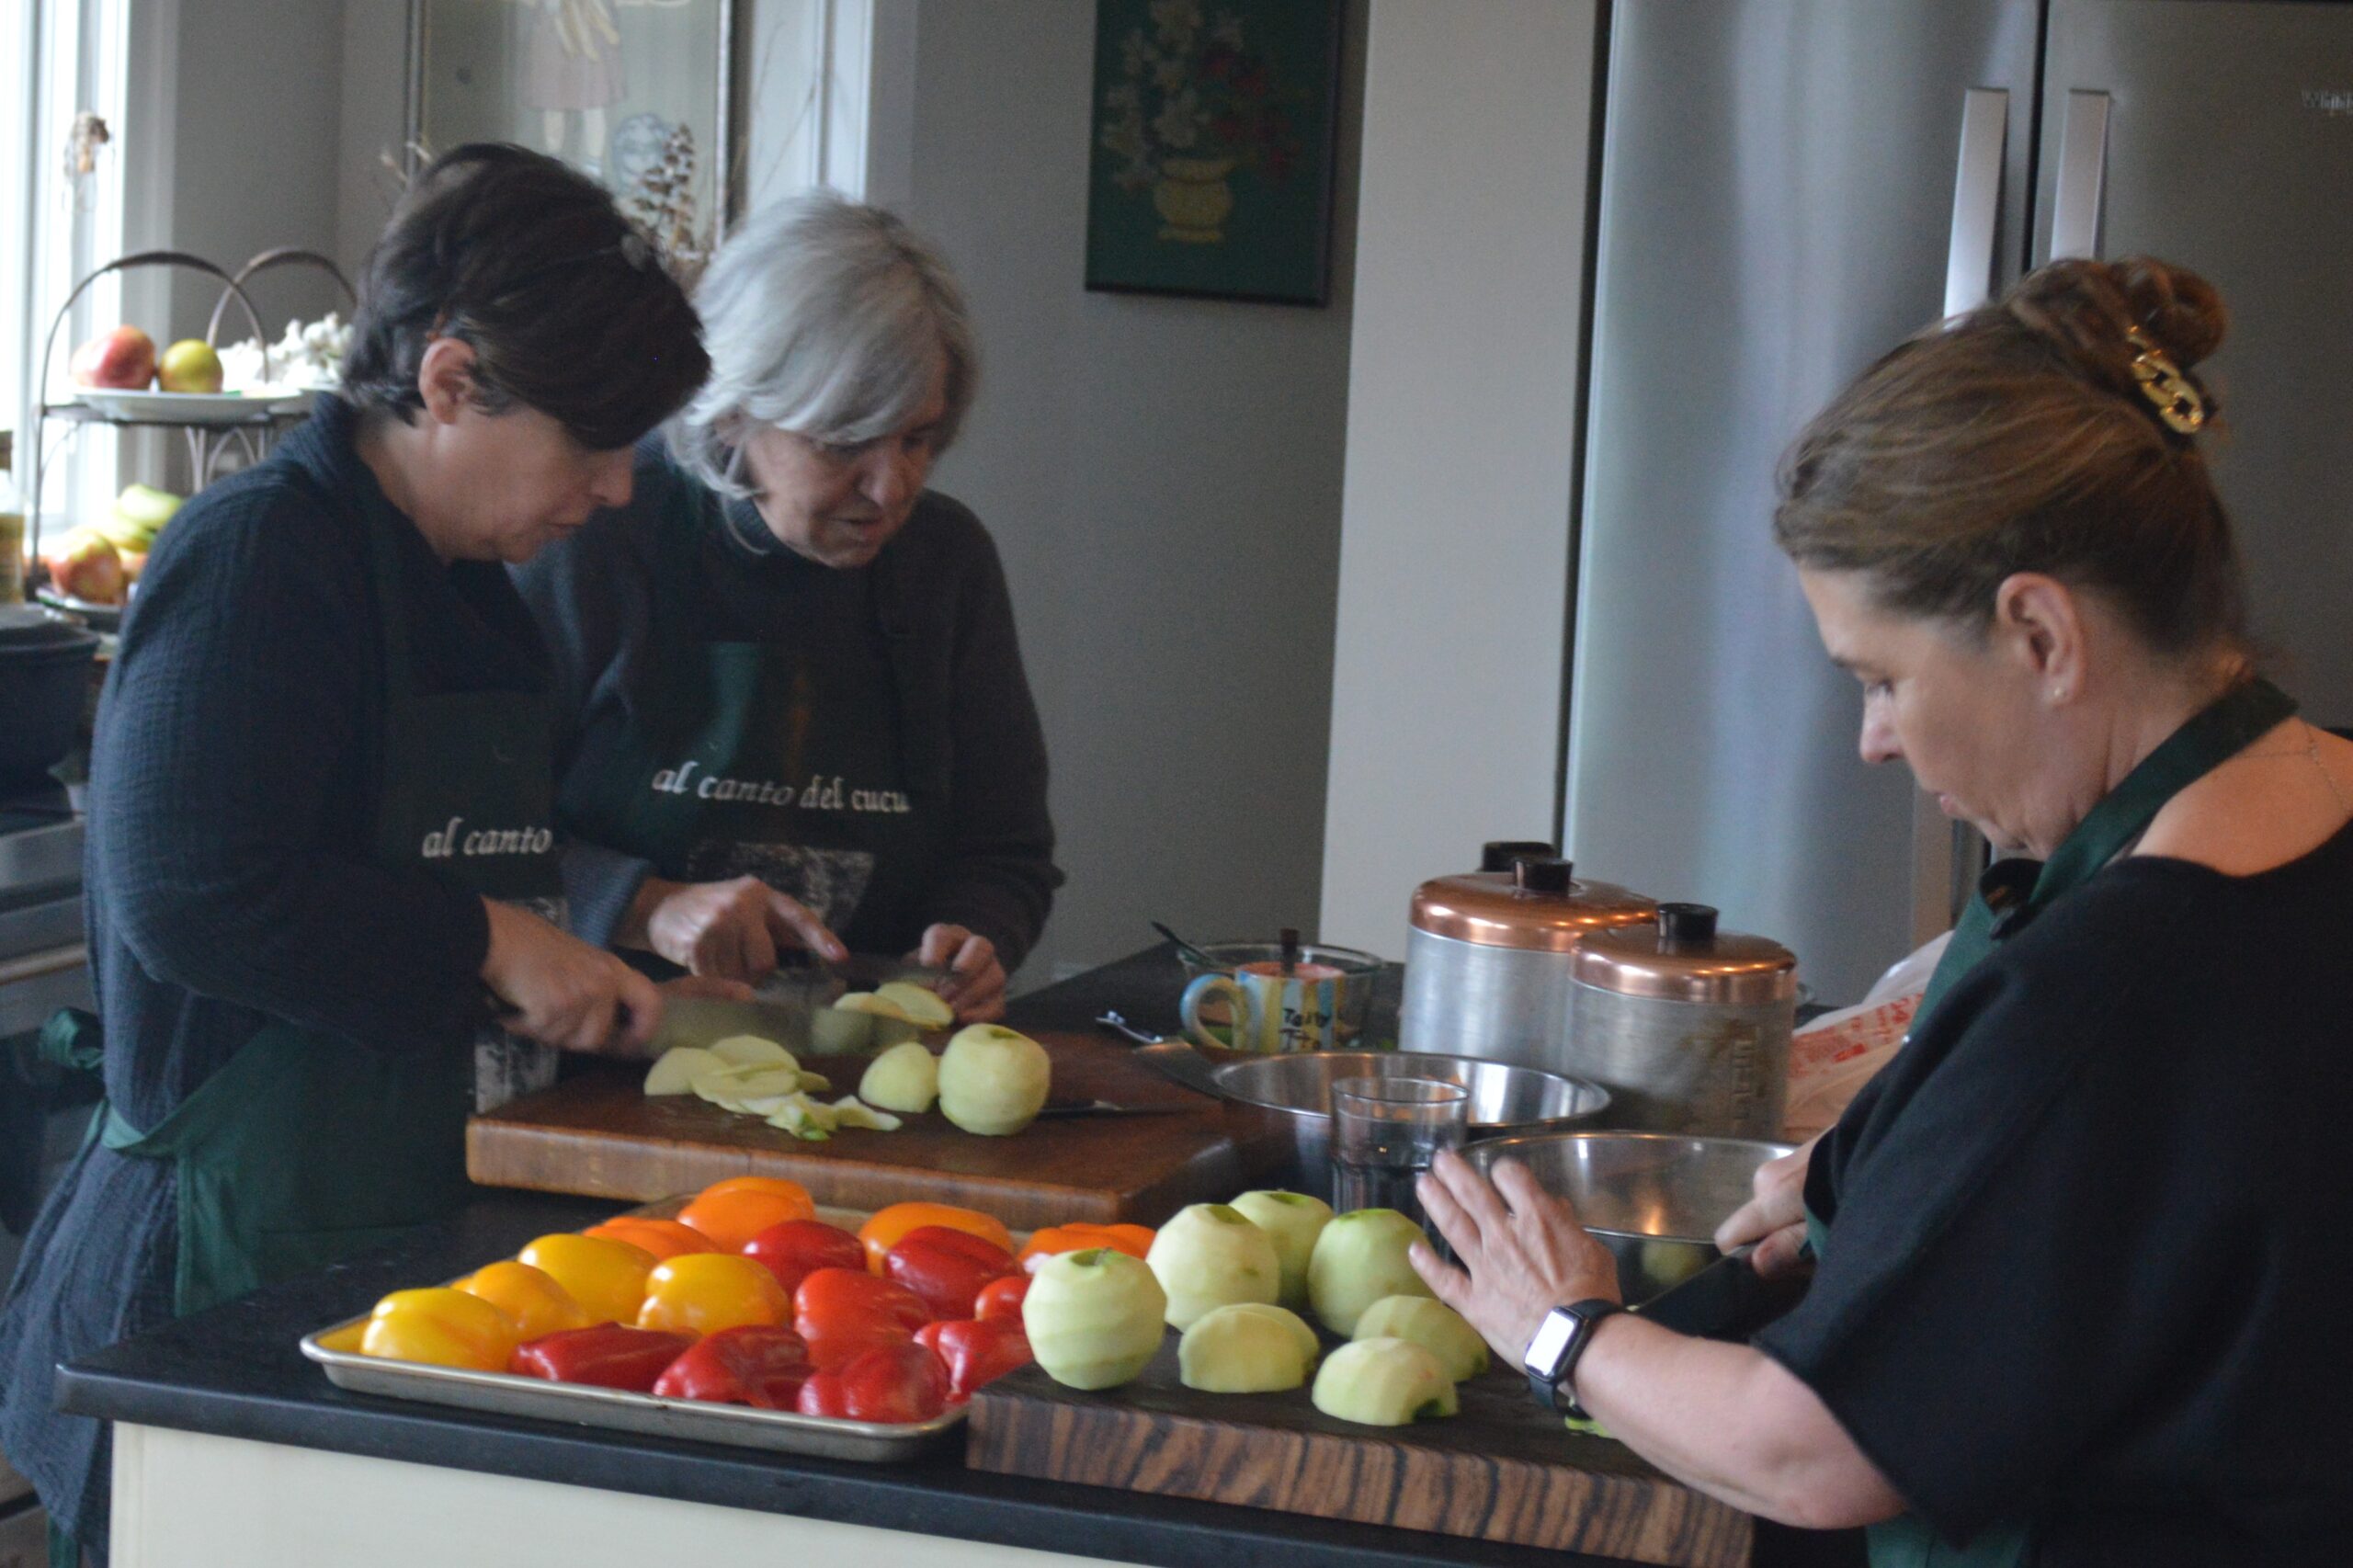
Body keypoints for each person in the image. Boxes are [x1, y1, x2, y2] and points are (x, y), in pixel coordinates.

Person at [1412, 257, 2353, 1565]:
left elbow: (1813, 1450)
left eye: (1883, 678)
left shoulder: (2110, 985)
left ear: (2040, 635)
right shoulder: (2316, 804)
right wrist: (1911, 1195)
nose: (1872, 740)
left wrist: (1560, 1325)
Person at [0, 144, 712, 1563]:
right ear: (449, 383)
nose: (622, 487)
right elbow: (197, 892)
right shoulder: (265, 555)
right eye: (593, 441)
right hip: (215, 1274)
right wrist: (486, 944)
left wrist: (576, 958)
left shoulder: (471, 589)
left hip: (393, 1259)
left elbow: (442, 857)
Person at [513, 189, 1059, 1022]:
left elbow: (1005, 849)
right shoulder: (597, 537)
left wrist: (979, 936)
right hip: (607, 1052)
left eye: (917, 440)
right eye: (843, 442)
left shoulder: (947, 567)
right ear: (733, 411)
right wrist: (648, 904)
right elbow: (468, 841)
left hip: (868, 1069)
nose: (892, 488)